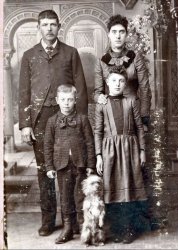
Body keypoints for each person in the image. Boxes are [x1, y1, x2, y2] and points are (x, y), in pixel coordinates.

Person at [19, 10, 88, 237]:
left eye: (53, 25)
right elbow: (24, 92)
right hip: (40, 121)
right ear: (39, 27)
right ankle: (48, 220)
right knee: (45, 171)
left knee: (73, 170)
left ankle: (74, 221)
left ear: (59, 27)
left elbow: (81, 88)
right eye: (45, 25)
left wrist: (82, 120)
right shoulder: (29, 55)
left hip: (66, 118)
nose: (49, 29)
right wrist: (25, 124)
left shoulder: (70, 53)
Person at [95, 67, 150, 244]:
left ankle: (128, 229)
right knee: (112, 190)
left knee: (129, 189)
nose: (117, 84)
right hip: (109, 150)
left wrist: (142, 151)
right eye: (113, 81)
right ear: (107, 83)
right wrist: (98, 156)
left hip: (129, 150)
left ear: (125, 83)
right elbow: (97, 131)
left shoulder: (131, 101)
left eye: (120, 81)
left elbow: (140, 127)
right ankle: (117, 228)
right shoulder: (101, 104)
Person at [44, 84, 95, 244]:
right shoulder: (52, 122)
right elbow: (47, 145)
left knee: (80, 196)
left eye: (70, 100)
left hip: (80, 164)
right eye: (63, 100)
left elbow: (90, 143)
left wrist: (90, 165)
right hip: (61, 165)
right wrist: (50, 167)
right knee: (65, 197)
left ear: (75, 100)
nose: (66, 103)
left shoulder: (82, 119)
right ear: (57, 100)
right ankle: (68, 228)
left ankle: (82, 227)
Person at [94, 14, 152, 130]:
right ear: (109, 34)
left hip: (133, 112)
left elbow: (145, 89)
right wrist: (98, 97)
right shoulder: (102, 60)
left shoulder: (135, 58)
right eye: (114, 32)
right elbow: (97, 92)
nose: (118, 36)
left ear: (126, 34)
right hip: (111, 113)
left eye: (121, 32)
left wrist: (144, 117)